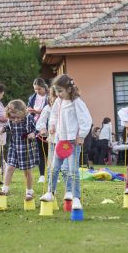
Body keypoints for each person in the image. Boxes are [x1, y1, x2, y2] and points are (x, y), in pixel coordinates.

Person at [40, 74, 92, 211]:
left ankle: (76, 198)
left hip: (72, 143)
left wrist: (81, 136)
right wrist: (52, 125)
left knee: (73, 171)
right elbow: (54, 115)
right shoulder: (59, 101)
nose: (58, 94)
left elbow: (86, 120)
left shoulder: (77, 102)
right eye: (56, 91)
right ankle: (50, 192)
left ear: (69, 89)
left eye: (60, 91)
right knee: (54, 168)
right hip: (60, 140)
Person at [0, 100, 39, 201]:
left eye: (17, 117)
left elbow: (36, 129)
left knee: (27, 171)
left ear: (23, 113)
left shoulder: (29, 118)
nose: (15, 120)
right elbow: (8, 126)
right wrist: (3, 129)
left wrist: (33, 134)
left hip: (26, 147)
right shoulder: (11, 119)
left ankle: (29, 192)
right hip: (14, 146)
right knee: (9, 167)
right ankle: (5, 189)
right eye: (12, 117)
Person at [27, 78, 49, 183]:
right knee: (40, 152)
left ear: (44, 87)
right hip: (36, 127)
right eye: (35, 89)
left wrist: (38, 111)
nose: (37, 91)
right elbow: (29, 108)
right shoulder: (32, 97)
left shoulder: (50, 97)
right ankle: (41, 175)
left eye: (39, 89)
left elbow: (50, 110)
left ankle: (52, 174)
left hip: (48, 127)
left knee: (50, 152)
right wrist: (30, 111)